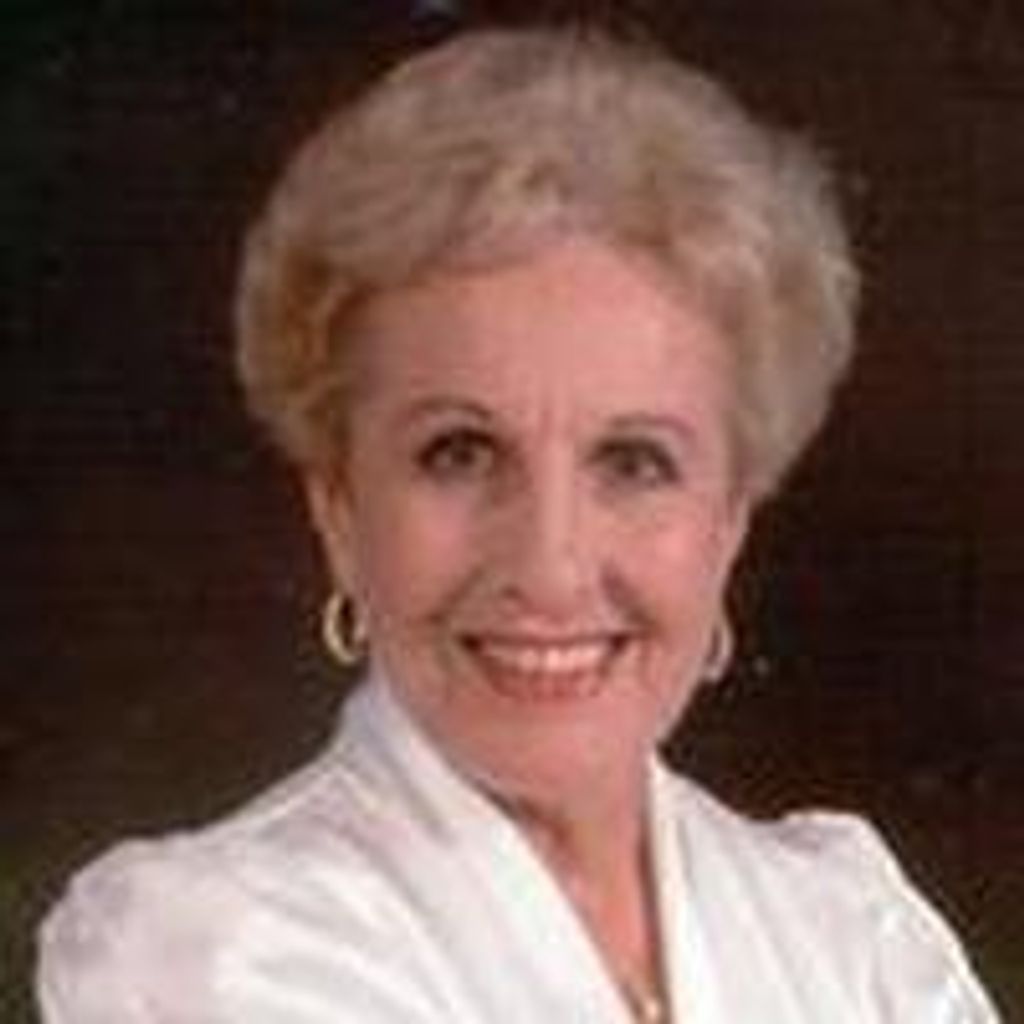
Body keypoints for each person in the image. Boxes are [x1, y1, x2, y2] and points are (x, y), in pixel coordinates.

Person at [36, 25, 1000, 1023]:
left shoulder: (847, 925)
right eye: (459, 452)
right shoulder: (213, 943)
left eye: (634, 462)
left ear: (730, 520)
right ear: (339, 508)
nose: (549, 567)